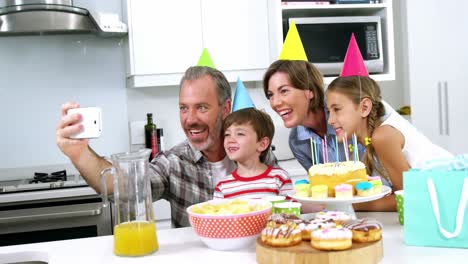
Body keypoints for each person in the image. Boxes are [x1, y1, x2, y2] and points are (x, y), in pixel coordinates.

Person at [56, 66, 278, 228]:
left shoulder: (258, 154)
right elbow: (123, 188)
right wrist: (80, 154)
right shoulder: (174, 162)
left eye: (201, 107)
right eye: (183, 108)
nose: (190, 119)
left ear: (225, 108)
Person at [326, 76, 454, 211]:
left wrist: (344, 204)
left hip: (455, 199)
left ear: (364, 107)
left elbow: (408, 199)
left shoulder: (383, 136)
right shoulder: (365, 143)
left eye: (337, 109)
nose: (330, 120)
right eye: (329, 111)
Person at [213, 108, 293, 199]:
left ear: (262, 144)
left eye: (240, 134)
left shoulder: (280, 178)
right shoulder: (222, 187)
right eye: (227, 134)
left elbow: (290, 211)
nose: (230, 140)